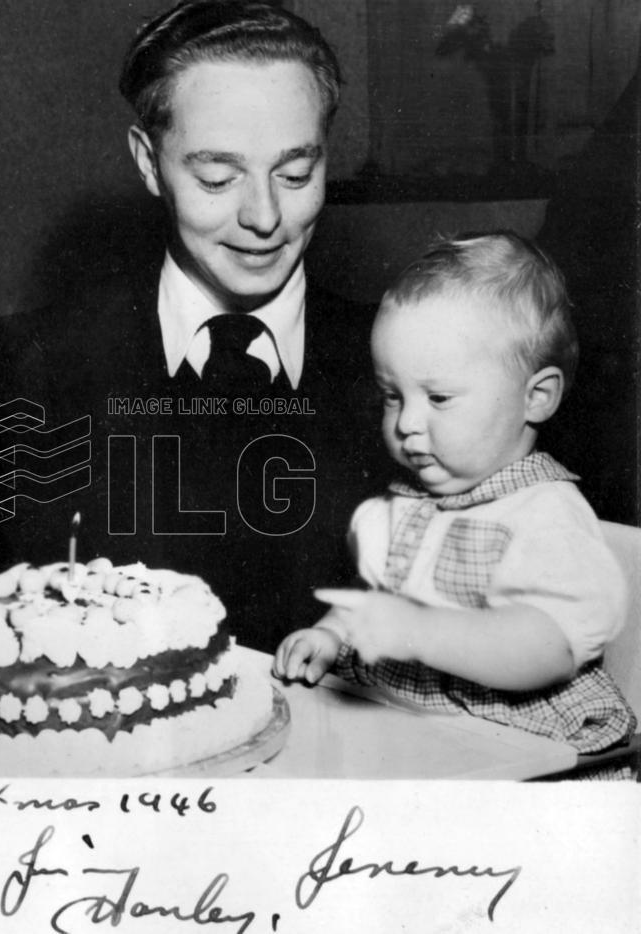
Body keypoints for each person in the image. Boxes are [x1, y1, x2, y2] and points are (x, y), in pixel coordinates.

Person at [0, 0, 384, 653]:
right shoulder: (19, 365)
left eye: (297, 172)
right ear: (147, 162)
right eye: (218, 177)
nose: (265, 216)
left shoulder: (408, 374)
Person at [273, 232, 637, 777]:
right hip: (419, 729)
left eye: (438, 397)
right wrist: (332, 633)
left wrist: (424, 634)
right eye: (392, 395)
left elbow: (550, 647)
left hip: (521, 752)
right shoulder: (416, 503)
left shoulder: (544, 512)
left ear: (536, 397)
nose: (406, 423)